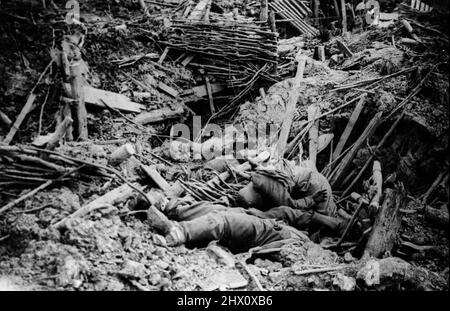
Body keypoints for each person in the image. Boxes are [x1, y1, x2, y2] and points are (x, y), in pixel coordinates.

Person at [158, 199, 348, 253]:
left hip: (259, 233)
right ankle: (172, 209)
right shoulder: (300, 228)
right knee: (217, 209)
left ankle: (179, 232)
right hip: (259, 222)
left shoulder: (305, 244)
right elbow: (285, 212)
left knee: (225, 221)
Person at [237, 160, 337, 216]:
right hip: (298, 185)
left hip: (314, 184)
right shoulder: (256, 180)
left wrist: (311, 200)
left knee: (323, 218)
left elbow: (290, 206)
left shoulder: (272, 189)